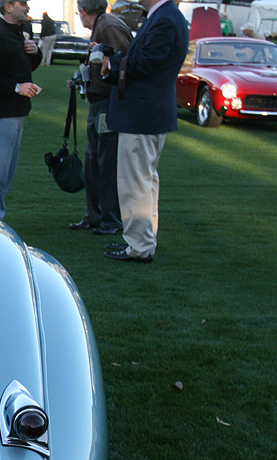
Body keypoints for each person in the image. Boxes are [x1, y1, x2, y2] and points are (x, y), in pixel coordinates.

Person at [101, 0, 188, 263]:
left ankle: (139, 245)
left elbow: (146, 63)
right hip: (150, 112)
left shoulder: (164, 18)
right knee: (145, 181)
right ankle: (142, 240)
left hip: (143, 114)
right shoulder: (166, 16)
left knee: (135, 182)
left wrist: (113, 62)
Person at [0, 0, 43, 220]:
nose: (27, 8)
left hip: (15, 112)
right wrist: (17, 88)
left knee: (3, 173)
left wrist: (35, 53)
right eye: (22, 3)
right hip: (1, 112)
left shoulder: (18, 34)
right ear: (8, 7)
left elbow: (23, 68)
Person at [67, 0, 131, 235]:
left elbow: (121, 63)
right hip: (101, 103)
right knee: (95, 162)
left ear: (83, 11)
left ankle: (110, 220)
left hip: (108, 104)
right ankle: (95, 217)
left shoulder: (108, 26)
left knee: (105, 163)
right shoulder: (105, 24)